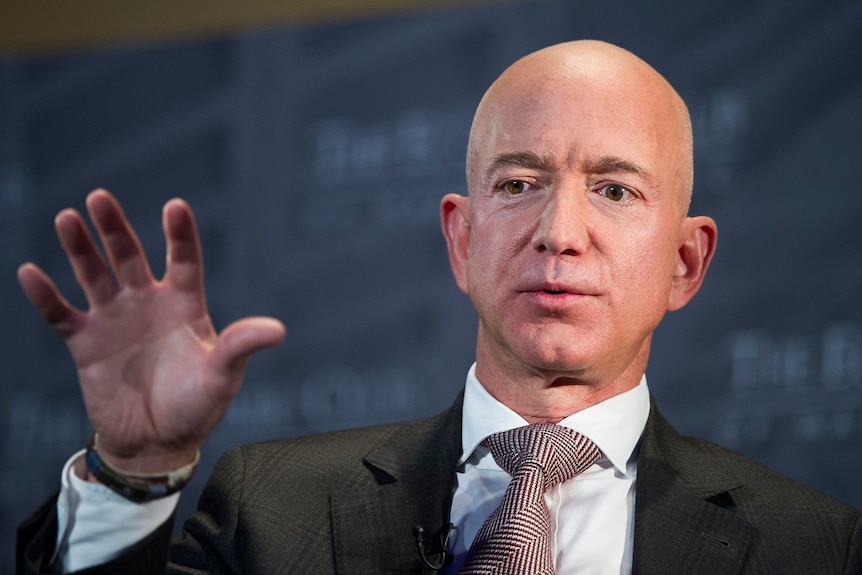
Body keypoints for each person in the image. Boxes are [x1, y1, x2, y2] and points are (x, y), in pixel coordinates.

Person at [16, 39, 861, 574]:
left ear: (685, 262)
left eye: (612, 189)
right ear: (462, 240)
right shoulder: (269, 511)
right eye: (520, 183)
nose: (560, 232)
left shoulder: (816, 547)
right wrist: (130, 473)